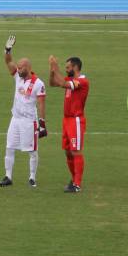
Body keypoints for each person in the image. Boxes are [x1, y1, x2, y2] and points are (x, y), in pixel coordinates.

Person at [0, 36, 47, 188]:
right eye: (18, 67)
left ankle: (32, 177)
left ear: (28, 67)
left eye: (21, 68)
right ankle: (8, 176)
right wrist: (7, 50)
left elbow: (41, 104)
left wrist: (42, 124)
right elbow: (8, 61)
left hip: (29, 121)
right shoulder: (17, 78)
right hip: (15, 118)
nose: (18, 70)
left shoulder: (38, 84)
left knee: (32, 150)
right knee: (9, 146)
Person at [48, 55, 90, 193]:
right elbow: (53, 83)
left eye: (68, 67)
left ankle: (77, 184)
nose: (66, 70)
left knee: (75, 150)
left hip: (76, 120)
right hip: (66, 120)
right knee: (67, 151)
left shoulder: (82, 81)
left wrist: (56, 67)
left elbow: (62, 83)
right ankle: (73, 180)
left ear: (75, 67)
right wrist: (51, 70)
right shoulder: (71, 79)